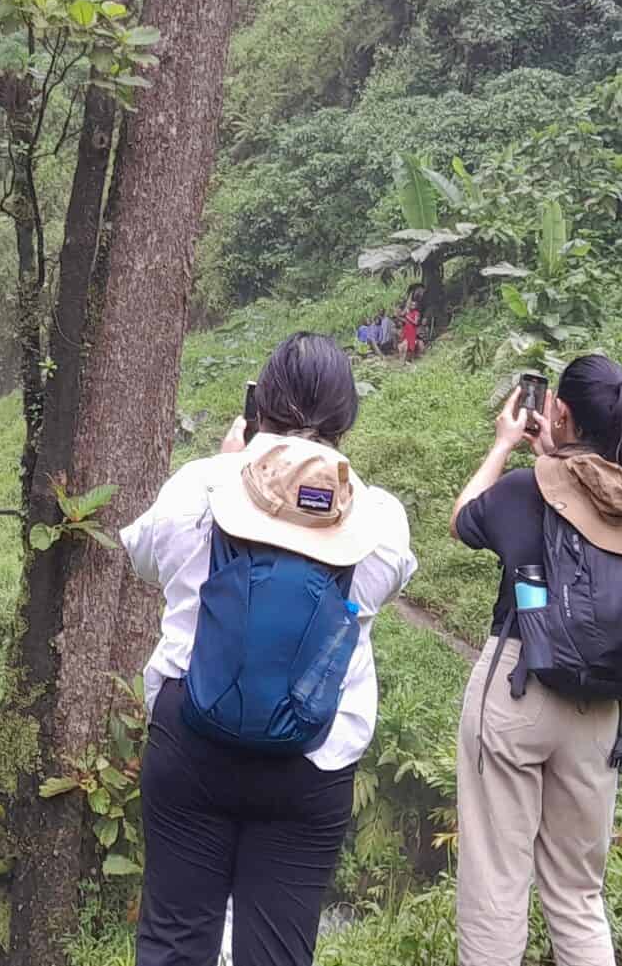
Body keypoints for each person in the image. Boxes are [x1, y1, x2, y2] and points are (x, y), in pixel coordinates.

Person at [122, 332, 418, 966]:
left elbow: (143, 556)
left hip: (190, 740)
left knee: (174, 940)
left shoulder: (202, 486)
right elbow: (386, 582)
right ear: (346, 418)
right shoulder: (380, 518)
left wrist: (227, 465)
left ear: (259, 403)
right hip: (312, 758)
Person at [447, 354, 622, 966]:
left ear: (560, 411)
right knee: (577, 896)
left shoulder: (526, 489)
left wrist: (504, 445)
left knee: (497, 887)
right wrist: (557, 453)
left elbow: (462, 519)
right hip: (599, 711)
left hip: (518, 688)